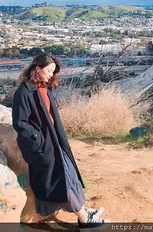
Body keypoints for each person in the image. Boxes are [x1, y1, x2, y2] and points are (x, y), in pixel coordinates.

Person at [12, 53, 109, 230]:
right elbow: (20, 124)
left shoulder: (43, 87)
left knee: (70, 177)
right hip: (44, 146)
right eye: (49, 71)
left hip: (55, 141)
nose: (51, 75)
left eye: (53, 72)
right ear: (37, 68)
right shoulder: (24, 92)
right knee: (61, 182)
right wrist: (39, 140)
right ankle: (85, 220)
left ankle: (84, 212)